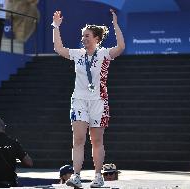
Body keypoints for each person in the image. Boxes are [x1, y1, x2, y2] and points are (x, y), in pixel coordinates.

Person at [52, 9, 125, 188]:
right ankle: (76, 176)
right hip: (79, 100)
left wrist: (115, 25)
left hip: (99, 101)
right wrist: (56, 26)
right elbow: (58, 48)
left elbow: (121, 47)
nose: (83, 39)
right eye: (83, 36)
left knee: (97, 141)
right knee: (78, 140)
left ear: (97, 39)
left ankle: (98, 176)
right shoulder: (78, 54)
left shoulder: (105, 54)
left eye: (87, 36)